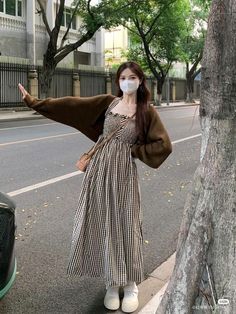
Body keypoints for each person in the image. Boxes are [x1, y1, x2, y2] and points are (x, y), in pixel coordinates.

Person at [18, 61, 172, 313]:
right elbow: (70, 106)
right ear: (118, 80)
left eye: (132, 77)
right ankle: (112, 283)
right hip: (98, 172)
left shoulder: (147, 112)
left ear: (140, 81)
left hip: (123, 175)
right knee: (103, 224)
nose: (127, 81)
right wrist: (34, 102)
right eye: (123, 77)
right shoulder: (109, 104)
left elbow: (163, 145)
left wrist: (134, 150)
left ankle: (130, 283)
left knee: (126, 223)